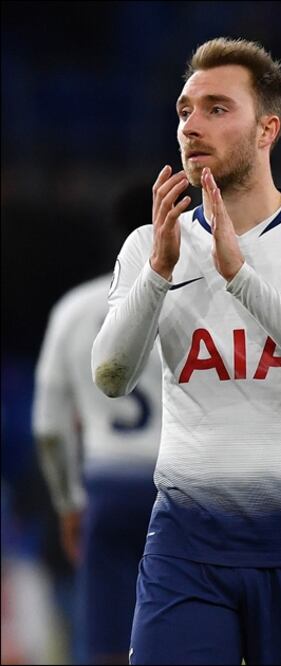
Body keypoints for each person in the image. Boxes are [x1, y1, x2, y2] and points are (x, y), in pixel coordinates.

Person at [91, 37, 281, 664]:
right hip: (185, 549)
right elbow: (110, 375)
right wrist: (159, 273)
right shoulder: (151, 245)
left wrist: (240, 276)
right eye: (184, 110)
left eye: (216, 109)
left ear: (268, 128)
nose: (191, 126)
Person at [33, 185, 163, 665]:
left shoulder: (74, 309)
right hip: (178, 488)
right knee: (184, 635)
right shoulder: (194, 304)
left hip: (106, 485)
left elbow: (49, 426)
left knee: (106, 643)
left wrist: (69, 502)